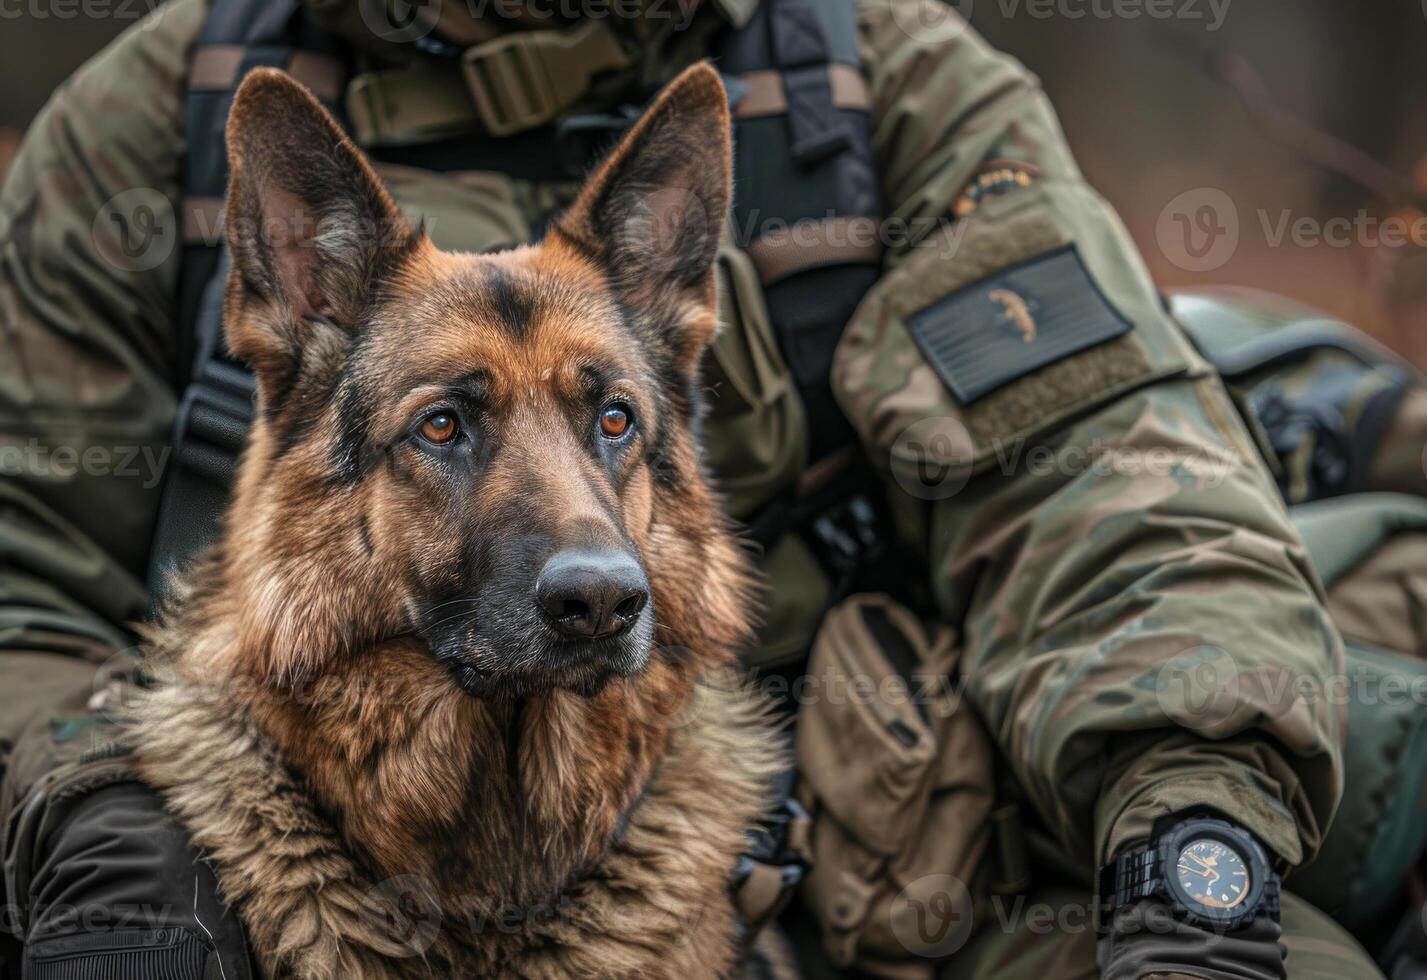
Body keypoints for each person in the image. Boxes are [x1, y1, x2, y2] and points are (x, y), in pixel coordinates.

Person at [0, 0, 1404, 976]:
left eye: (609, 420)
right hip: (266, 835)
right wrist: (101, 822)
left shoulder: (879, 87)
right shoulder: (155, 110)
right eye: (450, 425)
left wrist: (1189, 834)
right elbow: (20, 570)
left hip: (833, 878)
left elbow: (1117, 494)